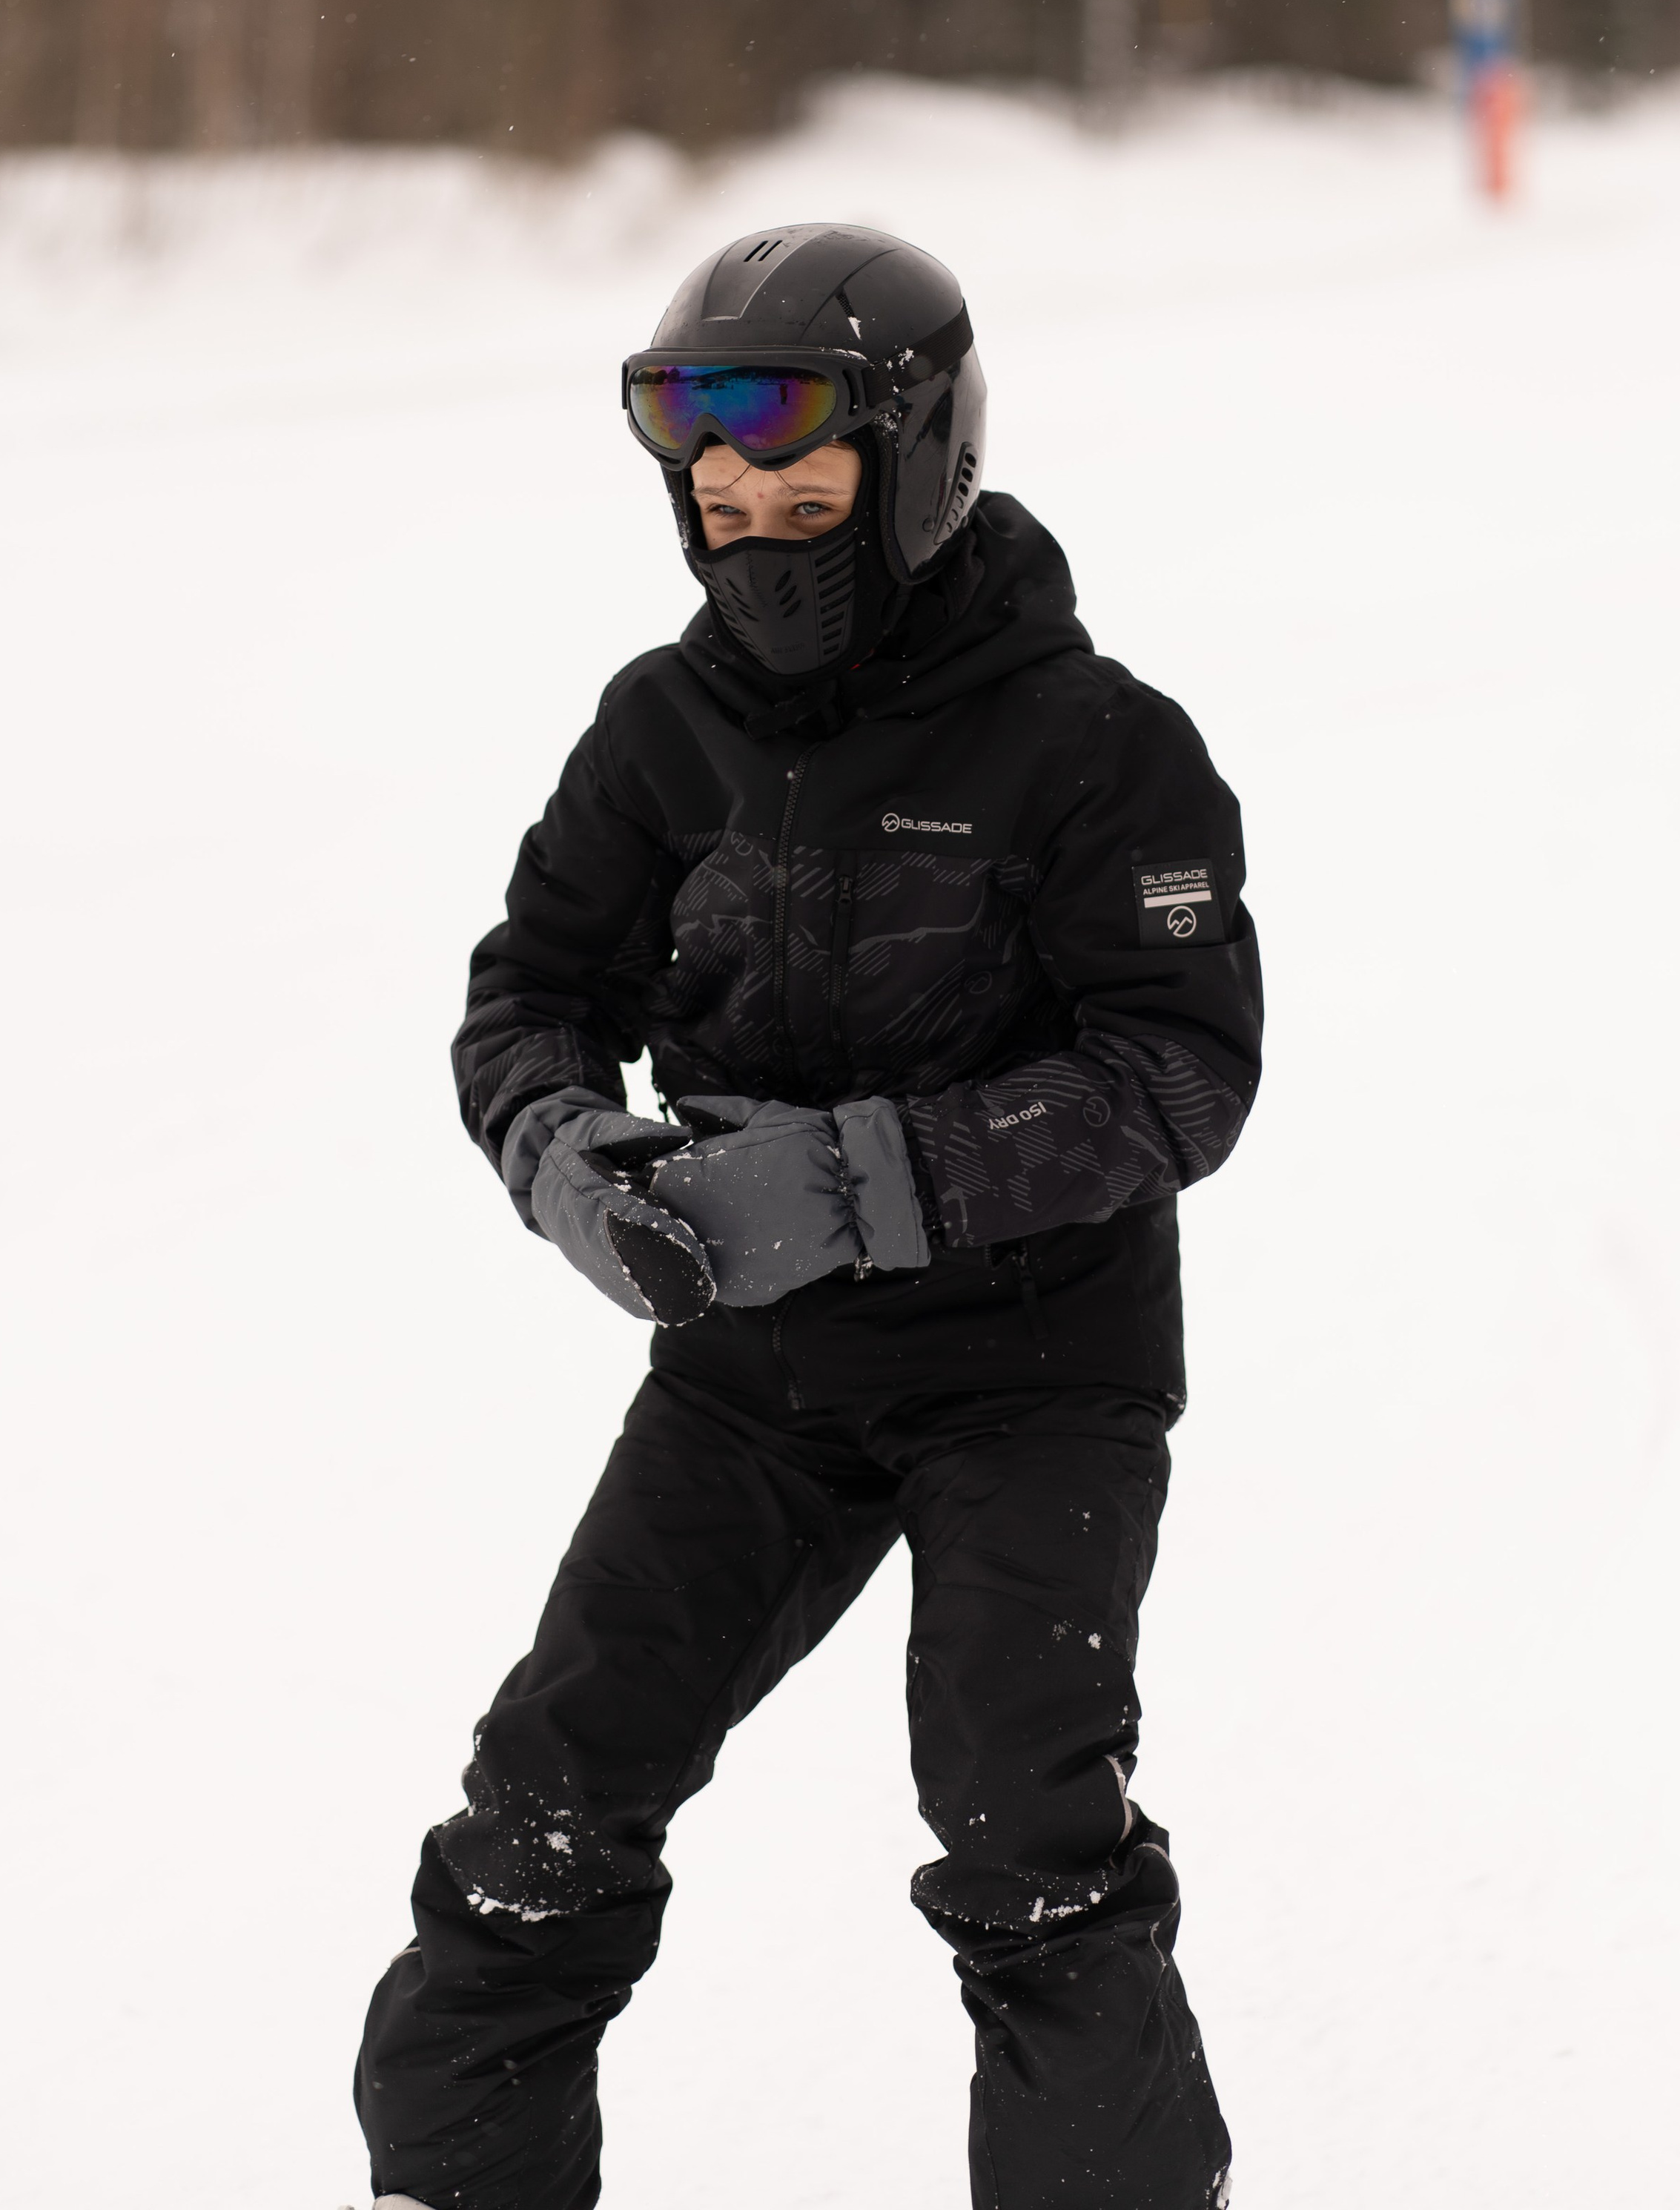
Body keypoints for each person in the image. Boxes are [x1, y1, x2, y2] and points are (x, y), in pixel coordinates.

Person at [355, 222, 1264, 2210]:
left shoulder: (1100, 745)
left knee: (1026, 1825)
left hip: (1039, 1375)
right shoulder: (659, 730)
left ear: (917, 464)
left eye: (808, 487)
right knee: (549, 1801)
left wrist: (863, 1179)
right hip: (757, 1375)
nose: (758, 529)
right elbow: (532, 997)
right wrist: (565, 1161)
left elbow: (1180, 1075)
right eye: (721, 494)